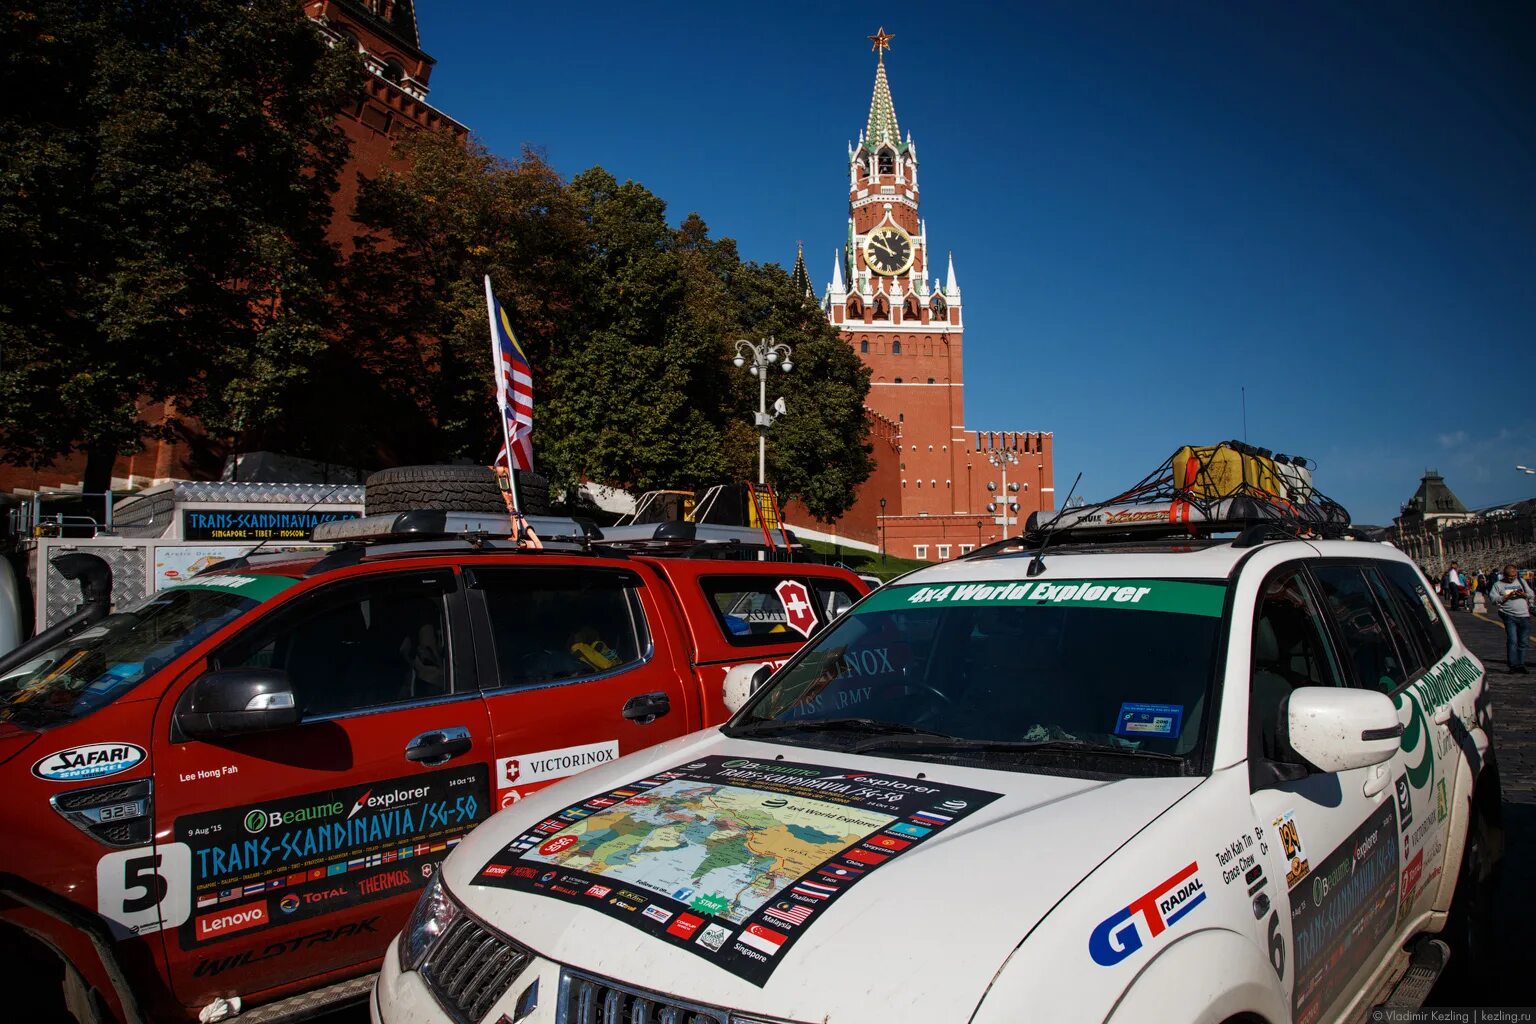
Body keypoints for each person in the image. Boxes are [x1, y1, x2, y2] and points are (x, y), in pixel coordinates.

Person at [1490, 564, 1533, 673]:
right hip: (1509, 615)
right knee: (1512, 640)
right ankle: (1513, 665)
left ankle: (1521, 664)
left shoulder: (1521, 581)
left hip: (1524, 615)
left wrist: (1523, 594)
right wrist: (1505, 597)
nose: (1512, 579)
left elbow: (1531, 594)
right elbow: (1493, 599)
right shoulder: (1498, 585)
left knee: (1523, 641)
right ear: (1504, 575)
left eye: (1514, 576)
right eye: (1510, 577)